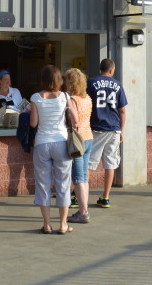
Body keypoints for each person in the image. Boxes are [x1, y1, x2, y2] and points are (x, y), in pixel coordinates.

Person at [29, 64, 76, 234]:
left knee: (43, 184)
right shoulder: (65, 96)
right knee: (63, 184)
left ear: (42, 79)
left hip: (42, 143)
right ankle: (63, 224)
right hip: (61, 142)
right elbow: (75, 119)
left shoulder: (35, 97)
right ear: (59, 80)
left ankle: (47, 224)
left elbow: (33, 123)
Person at [87, 58, 128, 209]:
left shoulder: (91, 83)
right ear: (112, 70)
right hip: (114, 128)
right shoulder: (118, 85)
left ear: (100, 69)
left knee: (89, 164)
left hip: (96, 128)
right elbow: (122, 110)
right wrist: (121, 130)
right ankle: (105, 197)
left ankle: (76, 195)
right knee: (110, 164)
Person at [64, 67, 93, 224]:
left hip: (77, 141)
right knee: (84, 177)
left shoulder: (71, 99)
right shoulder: (87, 98)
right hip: (88, 137)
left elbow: (74, 121)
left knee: (78, 178)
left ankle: (83, 212)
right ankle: (84, 209)